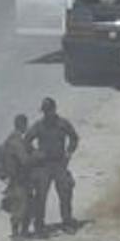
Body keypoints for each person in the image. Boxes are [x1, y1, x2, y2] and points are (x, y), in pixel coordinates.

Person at [22, 96, 80, 233]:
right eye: (44, 111)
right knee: (41, 196)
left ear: (54, 109)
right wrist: (35, 153)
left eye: (48, 110)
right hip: (44, 165)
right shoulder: (39, 125)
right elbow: (27, 141)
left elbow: (74, 137)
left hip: (60, 163)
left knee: (65, 193)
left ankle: (67, 221)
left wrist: (69, 152)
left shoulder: (63, 123)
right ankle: (39, 224)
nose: (47, 113)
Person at [0, 112, 37, 241]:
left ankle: (21, 232)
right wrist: (37, 157)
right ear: (23, 125)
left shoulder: (12, 140)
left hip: (18, 177)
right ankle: (17, 234)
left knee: (22, 204)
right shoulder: (16, 141)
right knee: (21, 205)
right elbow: (25, 160)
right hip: (20, 178)